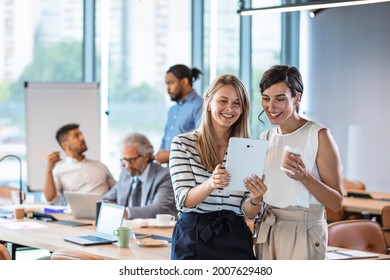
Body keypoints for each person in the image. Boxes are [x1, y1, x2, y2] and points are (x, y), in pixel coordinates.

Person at [243, 65, 343, 260]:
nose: (271, 107)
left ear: (297, 98)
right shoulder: (265, 137)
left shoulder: (319, 135)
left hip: (304, 232)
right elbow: (250, 210)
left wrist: (305, 178)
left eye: (280, 99)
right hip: (267, 230)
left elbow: (336, 202)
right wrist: (255, 198)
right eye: (266, 98)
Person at [169, 74, 256, 260]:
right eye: (223, 101)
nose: (230, 109)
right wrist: (211, 184)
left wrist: (256, 199)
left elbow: (249, 211)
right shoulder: (183, 144)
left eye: (237, 103)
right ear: (208, 102)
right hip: (193, 237)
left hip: (236, 237)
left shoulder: (247, 148)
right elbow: (184, 200)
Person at [103, 132, 177, 219]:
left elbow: (159, 208)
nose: (127, 165)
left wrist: (125, 212)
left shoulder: (165, 176)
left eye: (132, 160)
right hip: (126, 228)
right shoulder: (125, 174)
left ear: (146, 156)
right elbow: (107, 199)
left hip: (151, 229)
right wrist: (112, 207)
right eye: (124, 160)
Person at [43, 123, 116, 205]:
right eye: (76, 136)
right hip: (77, 215)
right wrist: (49, 170)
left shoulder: (100, 165)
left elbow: (117, 190)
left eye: (81, 134)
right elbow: (50, 198)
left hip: (104, 211)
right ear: (65, 145)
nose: (82, 138)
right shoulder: (58, 170)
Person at [154, 64, 203, 164]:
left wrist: (169, 155)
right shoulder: (172, 110)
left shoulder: (200, 106)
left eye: (171, 83)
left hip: (187, 168)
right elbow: (165, 139)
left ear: (184, 82)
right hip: (169, 170)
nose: (168, 89)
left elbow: (203, 141)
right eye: (166, 84)